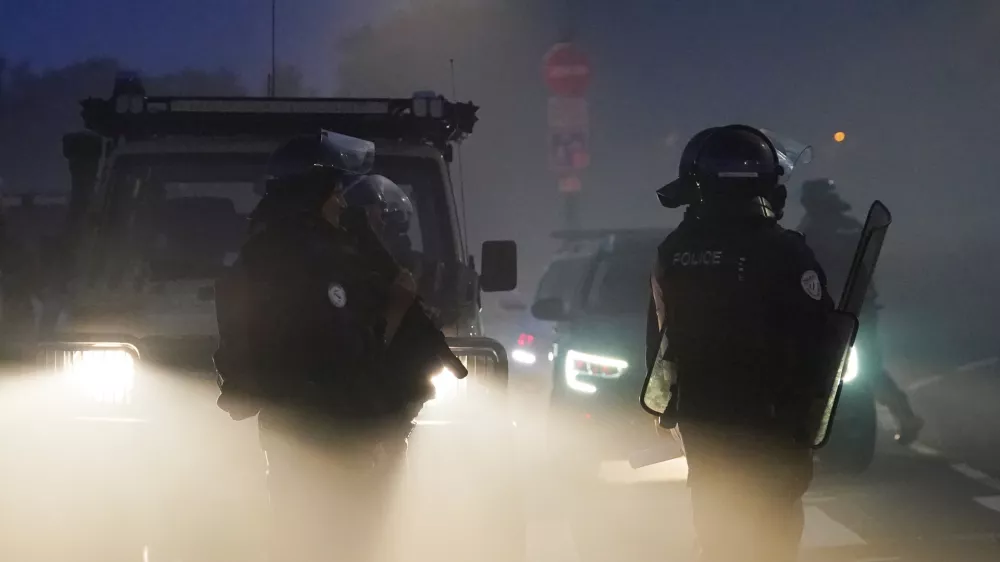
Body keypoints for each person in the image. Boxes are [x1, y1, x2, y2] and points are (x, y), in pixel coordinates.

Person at [213, 130, 420, 562]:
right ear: (315, 194)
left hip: (289, 434)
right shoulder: (324, 262)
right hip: (340, 436)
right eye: (336, 192)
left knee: (297, 534)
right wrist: (398, 307)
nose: (344, 204)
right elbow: (352, 353)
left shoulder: (258, 255)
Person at [646, 125, 832, 562]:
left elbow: (662, 335)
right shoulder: (784, 251)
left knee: (716, 528)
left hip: (703, 417)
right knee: (775, 534)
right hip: (772, 421)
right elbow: (818, 334)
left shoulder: (673, 251)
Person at [798, 178, 924, 445]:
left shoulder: (809, 231)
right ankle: (906, 418)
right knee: (871, 369)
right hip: (854, 310)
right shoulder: (851, 227)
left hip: (838, 311)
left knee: (862, 368)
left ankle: (906, 418)